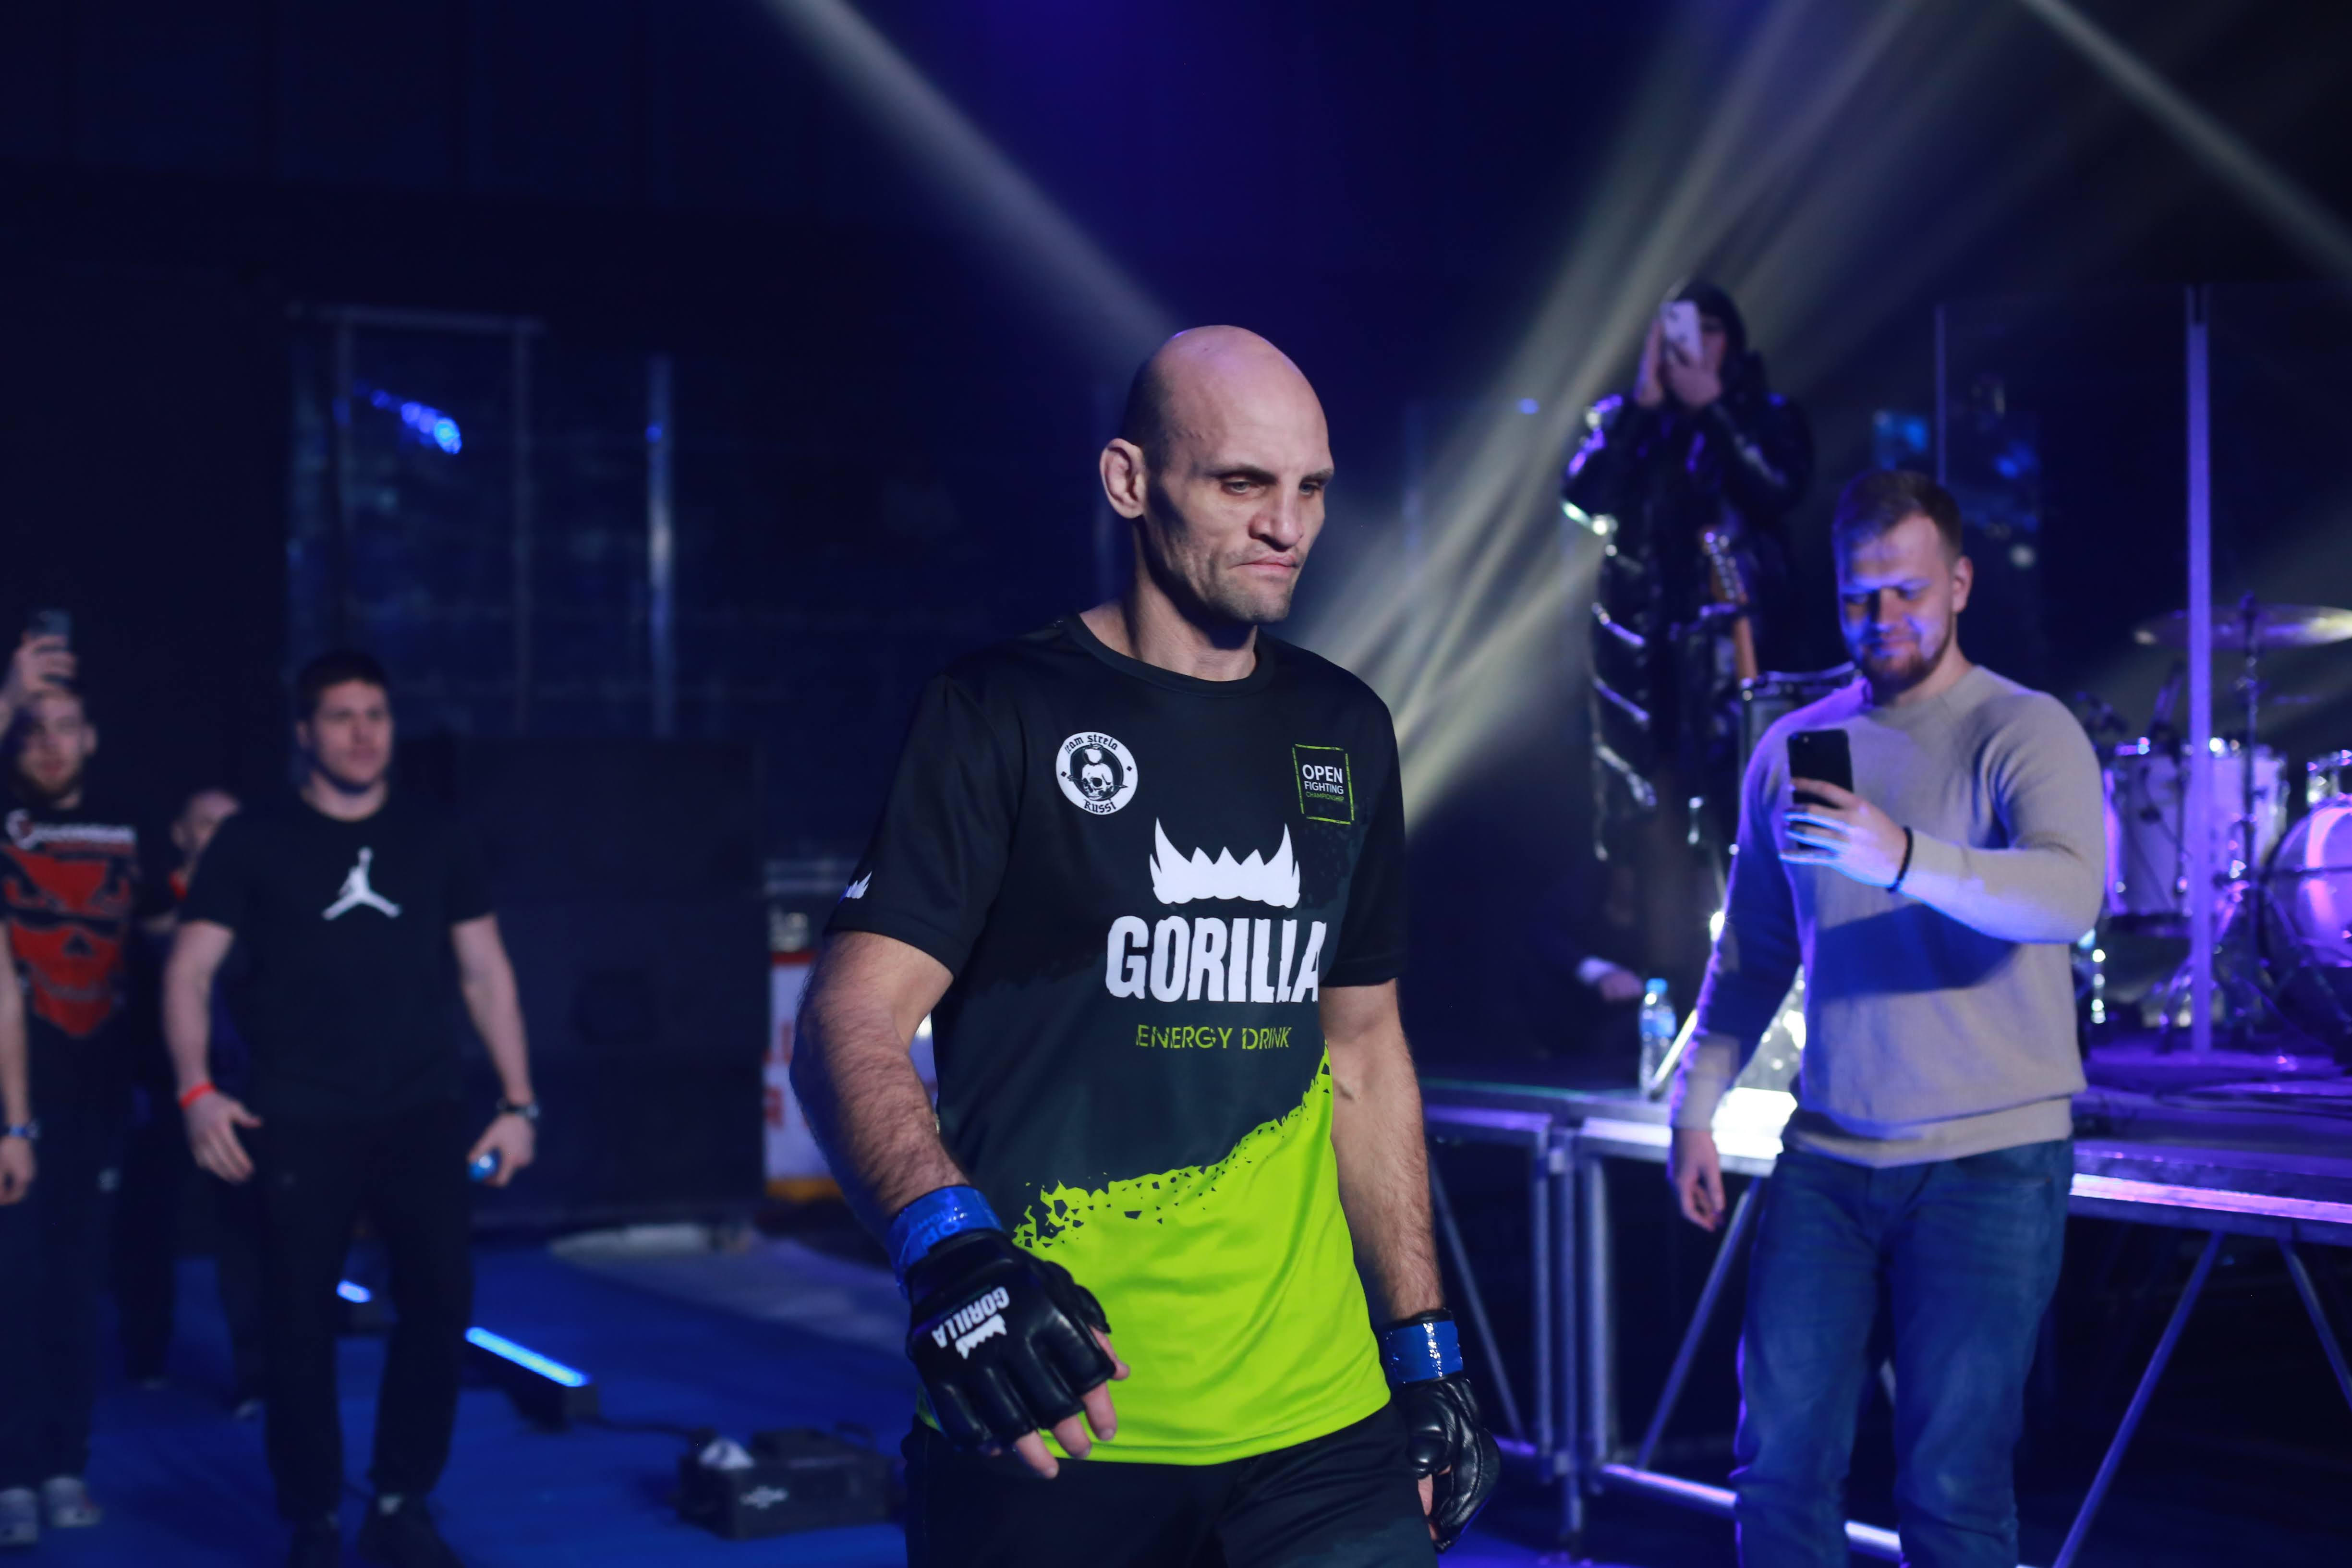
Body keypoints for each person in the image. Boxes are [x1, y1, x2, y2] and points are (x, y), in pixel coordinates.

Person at [792, 327, 1498, 1566]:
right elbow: (847, 1022)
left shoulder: (1343, 726)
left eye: (1312, 487)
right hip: (1055, 1411)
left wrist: (1425, 1350)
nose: (1287, 524)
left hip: (1320, 1430)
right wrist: (949, 1255)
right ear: (1129, 480)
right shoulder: (999, 711)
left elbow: (1364, 1053)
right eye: (1243, 483)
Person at [1667, 469, 2103, 1568]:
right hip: (1828, 1155)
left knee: (1952, 1495)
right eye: (1859, 597)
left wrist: (1902, 856)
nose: (1882, 617)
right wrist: (1694, 1104)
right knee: (1775, 1474)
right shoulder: (1793, 749)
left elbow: (2066, 896)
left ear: (1958, 584)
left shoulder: (2022, 727)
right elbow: (1753, 951)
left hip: (1988, 1162)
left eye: (1907, 591)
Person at [164, 651, 540, 1568]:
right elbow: (188, 970)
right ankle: (314, 1518)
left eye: (375, 713)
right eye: (341, 715)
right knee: (295, 1321)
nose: (363, 732)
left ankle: (402, 1501)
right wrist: (196, 1092)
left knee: (441, 1303)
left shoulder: (436, 831)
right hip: (298, 1113)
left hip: (422, 1106)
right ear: (305, 731)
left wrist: (520, 1103)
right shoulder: (252, 838)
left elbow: (486, 972)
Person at [1563, 280, 1813, 993]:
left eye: (1707, 329)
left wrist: (1716, 410)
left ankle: (1762, 990)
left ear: (1731, 340)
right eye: (1676, 330)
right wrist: (1643, 408)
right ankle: (1675, 1000)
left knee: (1743, 824)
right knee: (1655, 841)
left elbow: (1779, 486)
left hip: (1737, 665)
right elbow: (1584, 496)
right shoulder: (1626, 422)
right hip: (1644, 675)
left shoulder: (1765, 415)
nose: (1690, 344)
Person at [0, 632, 160, 1544]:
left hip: (97, 1094)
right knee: (10, 1285)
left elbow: (181, 938)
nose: (51, 744)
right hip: (11, 1099)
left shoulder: (130, 822)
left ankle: (64, 1462)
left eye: (66, 726)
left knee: (71, 1284)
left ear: (93, 737)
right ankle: (10, 1471)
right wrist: (7, 692)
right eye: (33, 729)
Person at [116, 787, 267, 1415]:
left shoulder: (265, 904)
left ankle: (255, 1378)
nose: (220, 835)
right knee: (148, 1228)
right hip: (162, 1092)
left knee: (248, 1235)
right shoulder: (153, 905)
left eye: (231, 824)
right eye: (207, 824)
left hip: (243, 1091)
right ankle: (145, 1354)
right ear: (180, 834)